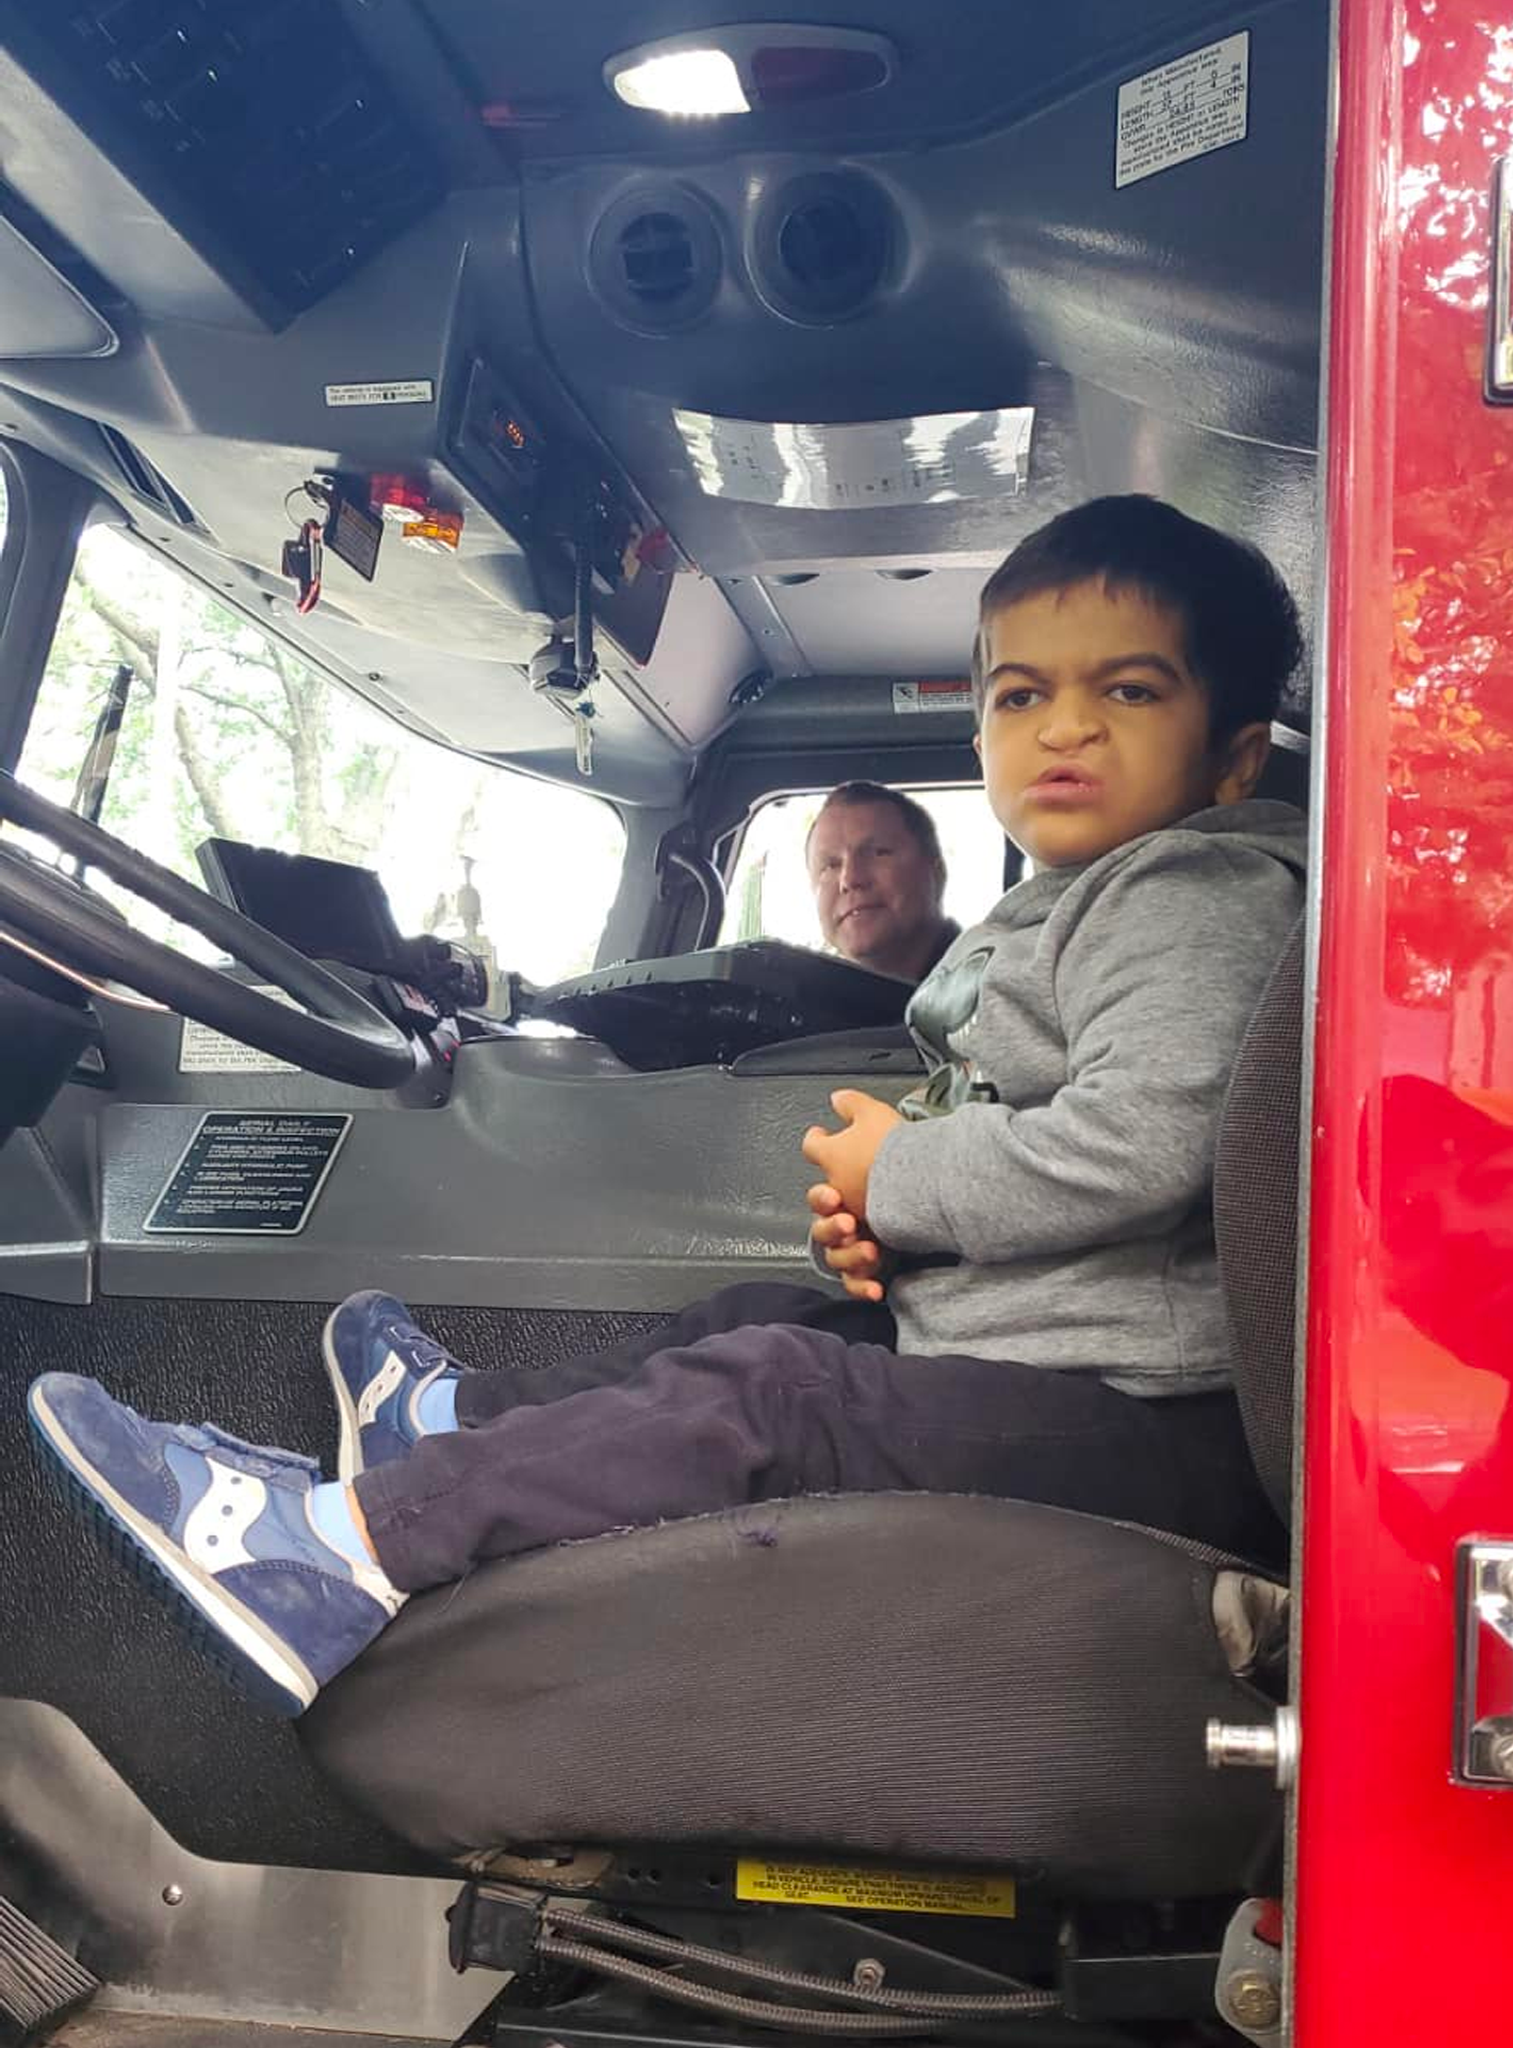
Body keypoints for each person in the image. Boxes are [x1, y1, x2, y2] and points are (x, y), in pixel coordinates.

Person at [27, 495, 1309, 1720]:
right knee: (758, 1318)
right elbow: (1036, 1136)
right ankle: (449, 1422)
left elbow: (1142, 1141)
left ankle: (330, 1557)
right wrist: (895, 1227)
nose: (1065, 727)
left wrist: (904, 1177)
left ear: (1235, 755)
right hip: (1047, 1354)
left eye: (1128, 689)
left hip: (1147, 1425)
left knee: (775, 1389)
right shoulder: (1077, 902)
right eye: (1022, 693)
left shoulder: (1193, 894)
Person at [806, 782, 959, 981]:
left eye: (879, 853)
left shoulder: (992, 988)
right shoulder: (807, 997)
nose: (850, 879)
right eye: (830, 865)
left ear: (936, 873)